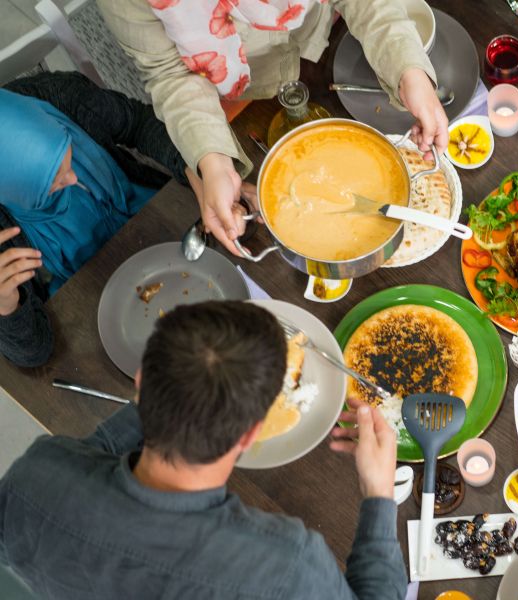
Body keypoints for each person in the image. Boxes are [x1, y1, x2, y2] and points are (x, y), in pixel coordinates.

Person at [0, 301, 406, 598]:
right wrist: (379, 493)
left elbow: (91, 455)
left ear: (140, 381)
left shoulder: (35, 473)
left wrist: (175, 387)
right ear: (252, 435)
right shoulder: (288, 565)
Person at [97, 0, 450, 256]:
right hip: (231, 93)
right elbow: (171, 74)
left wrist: (409, 72)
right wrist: (215, 164)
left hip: (320, 36)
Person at [0, 72, 199, 368]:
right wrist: (7, 307)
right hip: (92, 301)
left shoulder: (57, 97)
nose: (74, 178)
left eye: (65, 149)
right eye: (52, 184)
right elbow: (34, 354)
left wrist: (198, 171)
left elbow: (137, 122)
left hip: (158, 215)